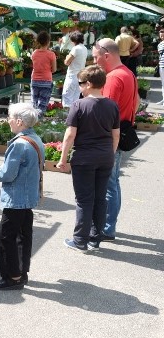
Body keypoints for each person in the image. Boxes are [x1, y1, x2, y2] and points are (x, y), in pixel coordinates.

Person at [59, 65, 120, 252]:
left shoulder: (79, 105)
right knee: (100, 198)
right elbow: (115, 135)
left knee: (84, 200)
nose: (79, 87)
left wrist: (63, 159)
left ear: (89, 84)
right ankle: (95, 238)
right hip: (105, 157)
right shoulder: (112, 105)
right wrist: (109, 153)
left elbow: (70, 135)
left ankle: (80, 241)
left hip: (84, 158)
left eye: (81, 84)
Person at [0, 103, 44, 290]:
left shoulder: (19, 145)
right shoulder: (35, 139)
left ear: (20, 122)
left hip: (15, 198)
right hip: (29, 197)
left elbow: (7, 174)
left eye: (10, 117)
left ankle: (12, 277)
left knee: (6, 238)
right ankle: (22, 273)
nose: (8, 121)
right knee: (23, 236)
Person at [93, 39, 139, 242]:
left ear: (106, 55)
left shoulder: (112, 78)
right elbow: (137, 102)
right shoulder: (128, 73)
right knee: (113, 182)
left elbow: (105, 112)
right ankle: (109, 225)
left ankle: (106, 228)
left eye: (95, 57)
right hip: (122, 131)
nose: (94, 62)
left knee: (108, 184)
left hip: (109, 136)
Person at [30, 31, 57, 116]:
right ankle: (39, 122)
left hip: (34, 80)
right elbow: (54, 69)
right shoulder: (51, 54)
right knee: (42, 104)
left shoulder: (34, 53)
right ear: (48, 42)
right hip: (46, 80)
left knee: (34, 103)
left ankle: (33, 121)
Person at [62, 31, 88, 108]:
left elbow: (67, 62)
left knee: (67, 98)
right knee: (75, 98)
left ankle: (66, 117)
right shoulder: (84, 48)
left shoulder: (75, 49)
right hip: (80, 76)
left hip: (72, 76)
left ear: (74, 40)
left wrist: (66, 57)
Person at [156, 28, 164, 105]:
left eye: (163, 32)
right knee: (163, 83)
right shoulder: (160, 44)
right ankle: (163, 99)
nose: (161, 34)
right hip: (162, 65)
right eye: (160, 32)